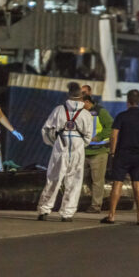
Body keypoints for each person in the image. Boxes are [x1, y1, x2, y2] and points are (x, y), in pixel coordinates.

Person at [37, 82, 93, 222]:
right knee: (74, 181)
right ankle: (67, 213)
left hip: (60, 147)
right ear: (81, 96)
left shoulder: (59, 110)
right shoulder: (86, 114)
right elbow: (88, 136)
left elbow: (46, 129)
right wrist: (80, 144)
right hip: (77, 149)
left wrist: (53, 142)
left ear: (68, 95)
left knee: (53, 179)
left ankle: (44, 210)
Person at [101, 89, 139, 225]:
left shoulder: (121, 116)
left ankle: (111, 216)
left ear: (128, 102)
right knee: (137, 184)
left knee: (117, 184)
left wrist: (112, 152)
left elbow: (114, 135)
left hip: (123, 154)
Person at [82, 94, 113, 213]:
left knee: (97, 180)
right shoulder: (81, 112)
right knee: (85, 179)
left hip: (99, 151)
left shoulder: (101, 112)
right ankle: (95, 200)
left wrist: (99, 137)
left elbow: (111, 127)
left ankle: (96, 206)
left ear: (87, 102)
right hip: (84, 151)